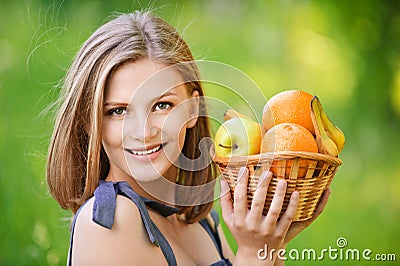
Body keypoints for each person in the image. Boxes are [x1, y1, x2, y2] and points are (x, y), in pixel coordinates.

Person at [46, 10, 331, 265]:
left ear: (194, 109)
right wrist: (252, 254)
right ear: (89, 121)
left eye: (162, 106)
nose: (144, 132)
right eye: (118, 111)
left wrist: (270, 245)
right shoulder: (108, 224)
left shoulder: (194, 215)